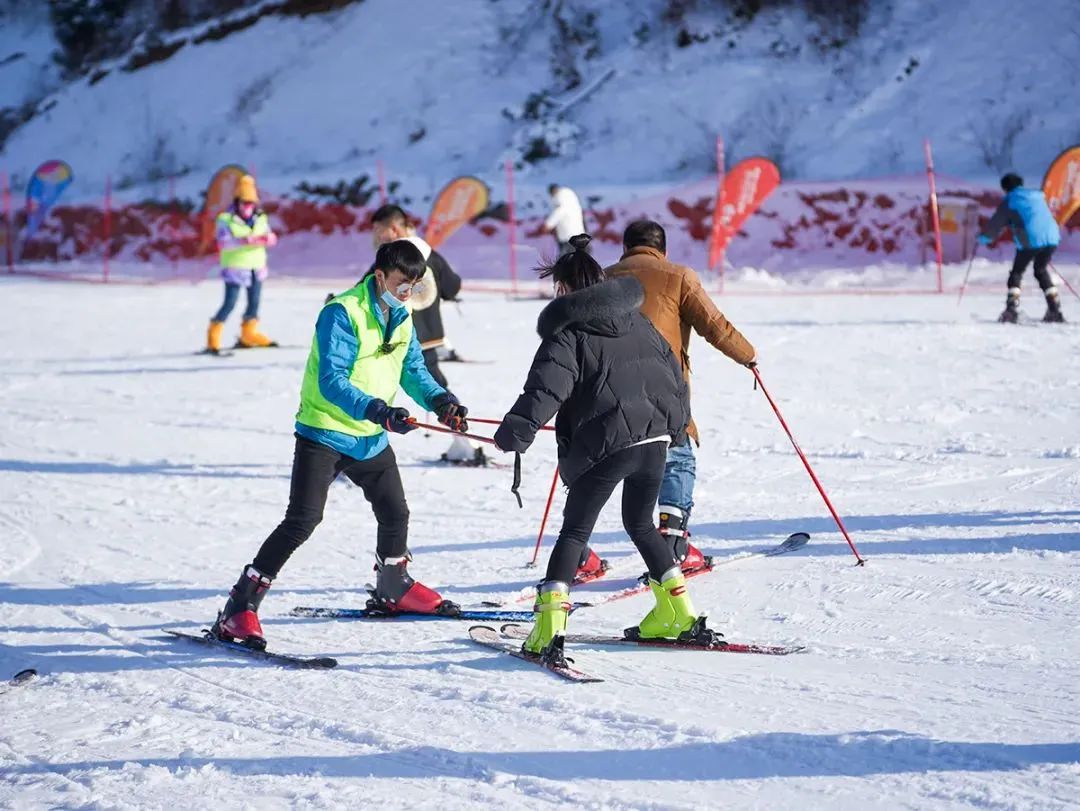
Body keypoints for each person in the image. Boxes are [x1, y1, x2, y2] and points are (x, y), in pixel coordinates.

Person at [211, 239, 471, 648]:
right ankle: (239, 606)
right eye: (402, 285)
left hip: (369, 436)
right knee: (302, 520)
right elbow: (332, 380)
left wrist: (441, 401)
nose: (407, 294)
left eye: (414, 287)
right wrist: (379, 410)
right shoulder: (342, 312)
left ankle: (394, 585)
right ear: (380, 275)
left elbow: (412, 368)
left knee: (395, 512)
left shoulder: (402, 314)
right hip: (325, 431)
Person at [494, 234, 717, 666]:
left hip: (607, 445)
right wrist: (674, 428)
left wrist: (514, 434)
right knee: (640, 524)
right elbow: (673, 377)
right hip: (655, 441)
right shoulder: (639, 321)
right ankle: (679, 612)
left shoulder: (568, 334)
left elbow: (544, 392)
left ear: (563, 289)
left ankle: (549, 629)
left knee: (575, 533)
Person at [575, 219, 756, 577]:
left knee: (601, 463)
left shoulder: (602, 279)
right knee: (676, 456)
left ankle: (578, 550)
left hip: (607, 389)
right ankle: (673, 542)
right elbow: (714, 325)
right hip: (664, 389)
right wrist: (747, 355)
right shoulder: (678, 276)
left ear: (625, 248)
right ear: (663, 250)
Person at [368, 204, 481, 464]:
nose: (376, 236)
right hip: (431, 336)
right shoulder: (430, 254)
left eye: (378, 230)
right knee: (438, 389)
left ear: (393, 229)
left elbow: (369, 291)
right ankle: (465, 444)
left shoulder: (393, 260)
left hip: (401, 335)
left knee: (429, 391)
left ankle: (467, 445)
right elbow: (453, 286)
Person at [977, 173, 1065, 323]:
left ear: (1006, 188)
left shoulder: (1010, 201)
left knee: (1017, 272)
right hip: (1052, 238)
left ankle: (1011, 309)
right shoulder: (1037, 197)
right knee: (1040, 270)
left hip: (1030, 240)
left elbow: (995, 226)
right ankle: (1054, 308)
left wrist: (983, 238)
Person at [206, 175, 279, 354]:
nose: (247, 206)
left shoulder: (261, 218)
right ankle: (213, 338)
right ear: (237, 202)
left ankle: (249, 334)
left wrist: (267, 239)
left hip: (256, 267)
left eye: (250, 203)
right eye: (244, 203)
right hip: (235, 268)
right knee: (230, 303)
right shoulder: (226, 219)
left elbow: (270, 235)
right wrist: (244, 241)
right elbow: (223, 242)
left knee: (254, 303)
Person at [543, 184, 586, 256]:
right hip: (577, 233)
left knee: (566, 257)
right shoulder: (570, 197)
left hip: (568, 235)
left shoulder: (561, 197)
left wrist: (548, 224)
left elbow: (560, 211)